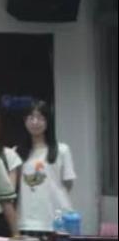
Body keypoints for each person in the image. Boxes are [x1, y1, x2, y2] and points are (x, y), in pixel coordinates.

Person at [16, 100, 77, 234]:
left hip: (56, 221)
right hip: (26, 221)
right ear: (25, 121)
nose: (35, 122)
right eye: (31, 117)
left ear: (48, 121)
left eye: (40, 118)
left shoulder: (62, 150)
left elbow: (68, 184)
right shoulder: (16, 152)